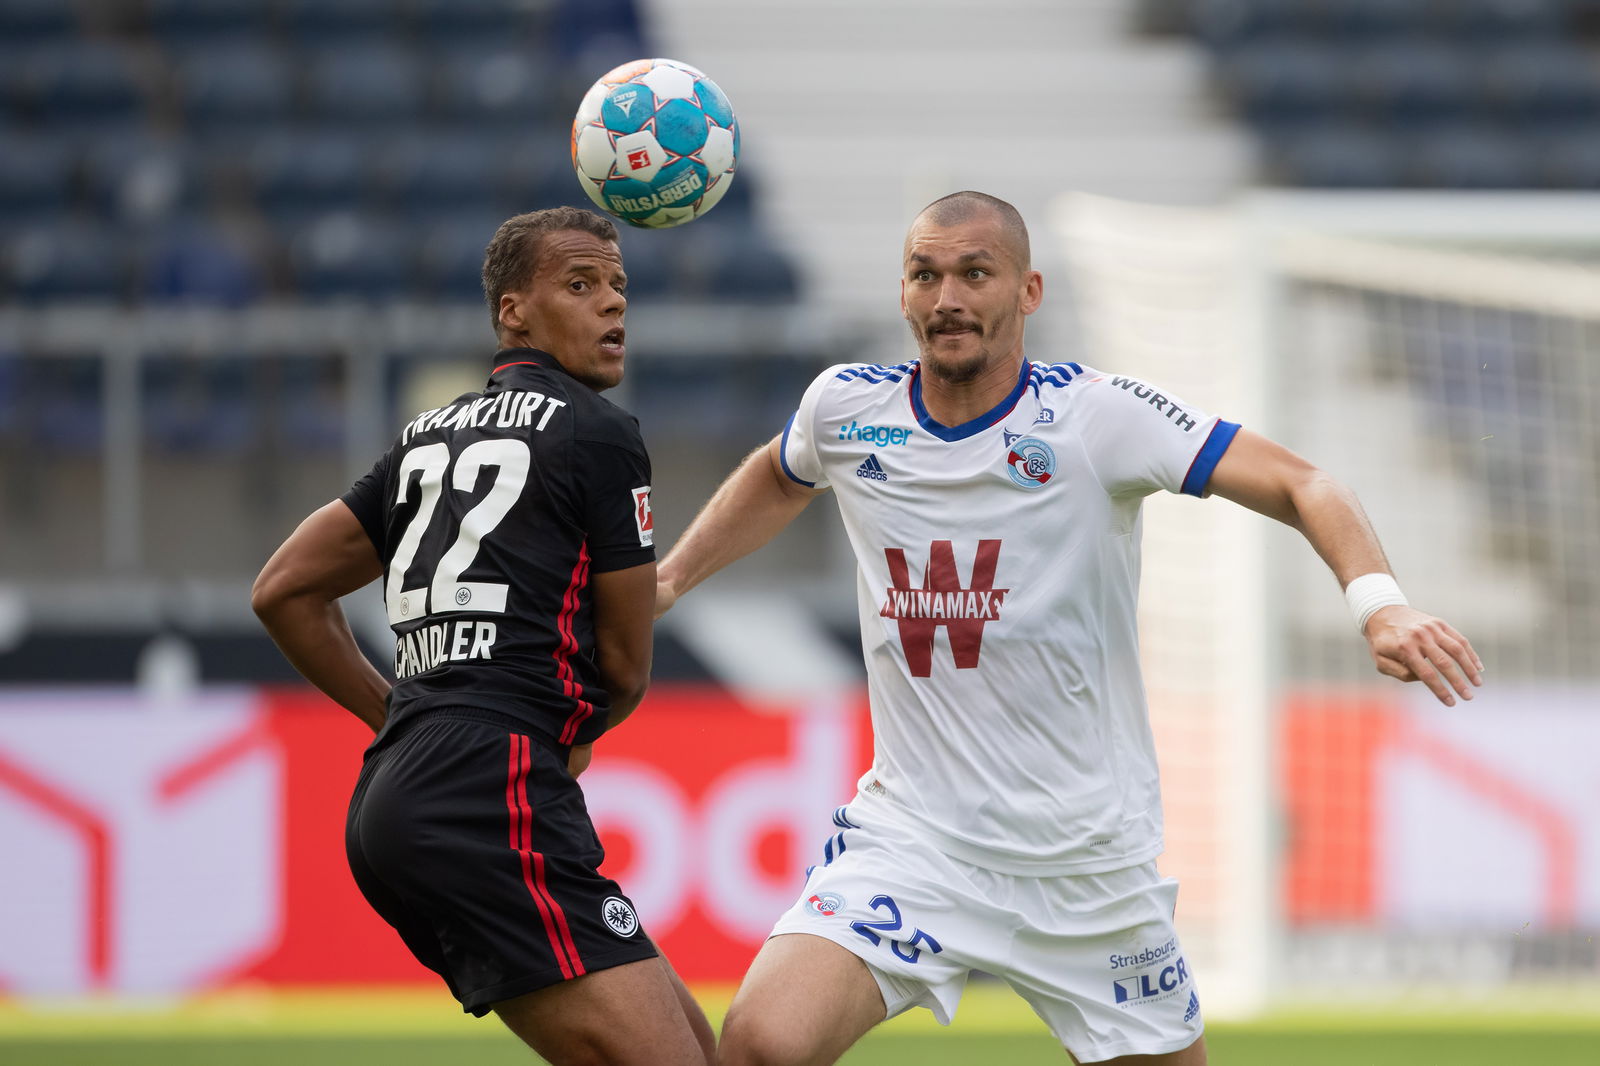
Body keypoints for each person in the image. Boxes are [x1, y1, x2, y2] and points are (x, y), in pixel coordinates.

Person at [655, 191, 1483, 1066]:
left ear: (1029, 291)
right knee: (760, 1046)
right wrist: (672, 576)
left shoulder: (1099, 418)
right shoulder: (846, 410)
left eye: (976, 274)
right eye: (925, 275)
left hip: (1086, 869)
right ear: (902, 293)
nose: (949, 300)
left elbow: (1307, 484)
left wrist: (1379, 601)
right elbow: (784, 474)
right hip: (914, 847)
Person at [252, 206, 714, 1066]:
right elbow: (624, 668)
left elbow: (283, 590)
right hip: (490, 791)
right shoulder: (602, 435)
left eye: (618, 287)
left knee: (697, 1049)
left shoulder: (421, 440)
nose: (612, 306)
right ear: (513, 311)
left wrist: (401, 716)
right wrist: (571, 735)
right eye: (580, 285)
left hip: (397, 792)